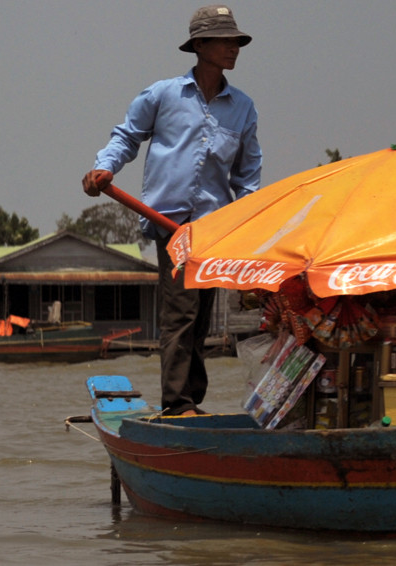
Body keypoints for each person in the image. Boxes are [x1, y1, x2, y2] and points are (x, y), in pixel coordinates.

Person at [81, 5, 261, 416]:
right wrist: (104, 168)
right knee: (181, 311)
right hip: (173, 224)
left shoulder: (243, 108)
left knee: (200, 319)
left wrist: (250, 228)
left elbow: (247, 177)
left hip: (214, 227)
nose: (234, 48)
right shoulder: (163, 94)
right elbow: (126, 136)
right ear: (200, 46)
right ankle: (178, 404)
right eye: (225, 41)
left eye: (236, 41)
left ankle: (188, 401)